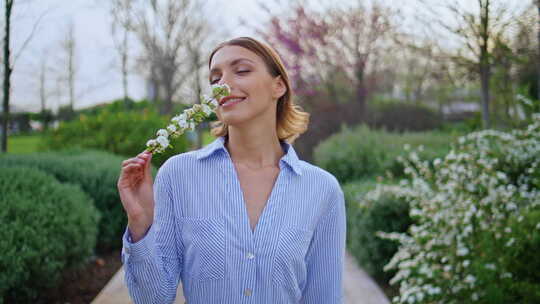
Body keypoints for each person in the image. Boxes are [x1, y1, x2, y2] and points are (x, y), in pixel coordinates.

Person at [117, 36, 346, 304]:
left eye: (242, 70)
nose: (222, 85)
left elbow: (323, 297)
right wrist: (140, 224)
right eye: (215, 79)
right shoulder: (178, 175)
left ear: (278, 85)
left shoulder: (322, 189)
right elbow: (154, 298)